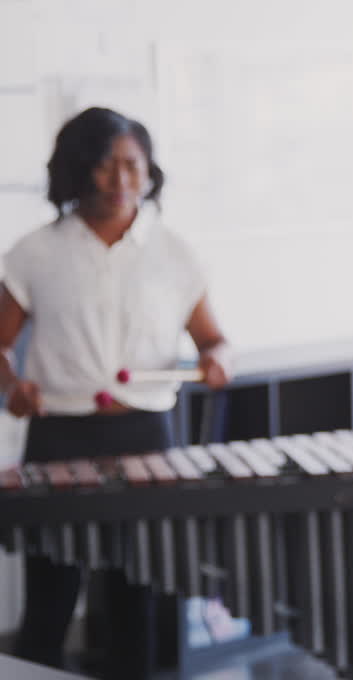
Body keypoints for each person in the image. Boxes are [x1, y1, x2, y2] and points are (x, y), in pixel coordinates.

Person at [0, 107, 232, 677]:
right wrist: (11, 385)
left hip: (144, 436)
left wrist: (216, 360)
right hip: (60, 435)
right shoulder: (34, 251)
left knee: (139, 592)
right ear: (77, 171)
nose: (120, 179)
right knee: (51, 596)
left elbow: (214, 340)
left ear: (151, 173)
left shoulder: (174, 253)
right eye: (104, 165)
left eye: (133, 165)